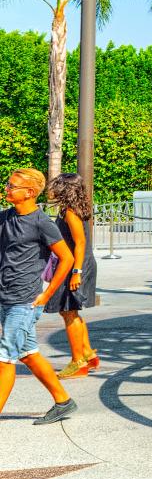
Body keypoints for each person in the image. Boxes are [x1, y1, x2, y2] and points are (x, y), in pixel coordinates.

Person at [0, 168, 77, 425]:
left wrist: (47, 294)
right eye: (8, 184)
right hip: (6, 296)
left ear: (30, 192)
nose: (7, 188)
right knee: (28, 354)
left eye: (12, 186)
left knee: (4, 359)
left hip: (25, 300)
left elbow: (67, 258)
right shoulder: (6, 218)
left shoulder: (41, 222)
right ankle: (63, 401)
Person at [43, 174, 100, 379]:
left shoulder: (69, 211)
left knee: (68, 311)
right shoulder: (71, 209)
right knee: (70, 311)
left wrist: (77, 272)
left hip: (77, 266)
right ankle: (87, 354)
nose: (52, 190)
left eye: (56, 186)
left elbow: (80, 243)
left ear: (65, 189)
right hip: (80, 264)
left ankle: (78, 363)